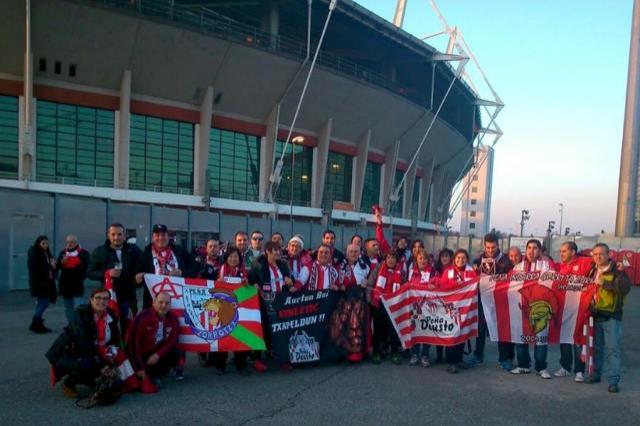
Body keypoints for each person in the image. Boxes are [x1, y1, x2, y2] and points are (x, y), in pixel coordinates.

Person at [46, 287, 138, 398]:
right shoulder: (81, 314)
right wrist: (104, 365)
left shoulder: (110, 314)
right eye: (98, 298)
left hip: (97, 350)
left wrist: (113, 357)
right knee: (87, 363)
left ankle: (91, 380)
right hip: (70, 352)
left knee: (113, 357)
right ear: (91, 299)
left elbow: (114, 338)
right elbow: (85, 345)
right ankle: (69, 383)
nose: (101, 301)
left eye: (105, 299)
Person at [585, 243, 631, 393]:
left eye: (601, 254)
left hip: (611, 316)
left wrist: (604, 283)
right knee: (596, 348)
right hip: (595, 314)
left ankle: (613, 381)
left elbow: (624, 288)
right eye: (595, 254)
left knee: (613, 349)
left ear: (609, 254)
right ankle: (596, 374)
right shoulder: (592, 269)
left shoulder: (617, 270)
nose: (598, 256)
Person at [510, 239, 556, 379]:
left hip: (540, 307)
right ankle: (523, 365)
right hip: (522, 307)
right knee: (520, 336)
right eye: (529, 247)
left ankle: (541, 367)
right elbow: (510, 285)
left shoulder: (546, 266)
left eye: (535, 248)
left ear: (540, 250)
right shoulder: (518, 267)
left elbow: (553, 283)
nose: (531, 251)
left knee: (540, 338)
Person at [469, 233, 513, 369]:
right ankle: (478, 356)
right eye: (488, 247)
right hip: (482, 299)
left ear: (498, 245)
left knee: (500, 327)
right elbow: (471, 277)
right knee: (480, 328)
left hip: (499, 299)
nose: (490, 250)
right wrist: (475, 271)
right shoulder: (478, 260)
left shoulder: (505, 260)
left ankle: (504, 358)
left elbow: (512, 278)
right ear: (484, 246)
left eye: (493, 247)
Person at [88, 223, 142, 335]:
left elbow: (143, 266)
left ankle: (127, 351)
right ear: (108, 235)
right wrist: (106, 273)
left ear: (124, 235)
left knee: (129, 327)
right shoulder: (100, 251)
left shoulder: (134, 250)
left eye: (119, 234)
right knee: (111, 327)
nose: (116, 237)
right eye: (113, 234)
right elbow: (89, 272)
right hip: (108, 297)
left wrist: (139, 276)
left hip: (129, 296)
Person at [248, 241, 293, 372]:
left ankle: (283, 358)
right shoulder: (259, 264)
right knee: (262, 331)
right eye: (275, 251)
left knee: (281, 331)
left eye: (279, 250)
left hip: (280, 303)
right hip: (264, 303)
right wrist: (254, 284)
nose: (278, 253)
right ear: (268, 252)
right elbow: (250, 279)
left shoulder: (282, 265)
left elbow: (290, 280)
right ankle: (257, 359)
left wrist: (290, 282)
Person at [435, 249, 478, 374]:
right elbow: (442, 287)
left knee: (462, 335)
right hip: (450, 310)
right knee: (452, 336)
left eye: (463, 258)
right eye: (458, 257)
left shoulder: (471, 272)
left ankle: (459, 359)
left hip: (465, 310)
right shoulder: (448, 272)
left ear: (467, 259)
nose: (460, 260)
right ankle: (451, 362)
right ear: (454, 259)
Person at [209, 247, 251, 374]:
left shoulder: (244, 272)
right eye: (231, 257)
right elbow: (210, 286)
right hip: (222, 307)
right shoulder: (219, 271)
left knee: (241, 336)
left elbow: (250, 290)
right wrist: (218, 283)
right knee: (223, 335)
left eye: (236, 257)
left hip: (239, 308)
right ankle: (220, 365)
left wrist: (246, 284)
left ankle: (241, 365)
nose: (233, 259)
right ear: (226, 258)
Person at [554, 241, 592, 382]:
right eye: (561, 251)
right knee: (564, 339)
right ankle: (565, 367)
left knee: (578, 341)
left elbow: (602, 262)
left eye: (564, 251)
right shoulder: (560, 267)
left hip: (580, 309)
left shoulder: (585, 262)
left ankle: (580, 370)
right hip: (565, 309)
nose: (561, 254)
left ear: (573, 252)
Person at [127, 292, 180, 393]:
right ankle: (143, 374)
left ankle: (156, 375)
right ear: (153, 303)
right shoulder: (142, 318)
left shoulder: (173, 319)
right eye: (160, 302)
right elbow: (133, 345)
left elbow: (172, 340)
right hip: (142, 353)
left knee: (176, 352)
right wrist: (139, 367)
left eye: (167, 303)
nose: (164, 305)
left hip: (156, 352)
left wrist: (158, 354)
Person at [135, 224, 194, 310]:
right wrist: (138, 279)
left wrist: (182, 272)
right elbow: (136, 280)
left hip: (177, 301)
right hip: (153, 302)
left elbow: (194, 269)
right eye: (157, 235)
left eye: (163, 235)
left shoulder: (179, 251)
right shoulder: (145, 255)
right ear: (152, 238)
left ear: (168, 236)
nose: (160, 238)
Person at [370, 252, 405, 365]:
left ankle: (395, 352)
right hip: (379, 303)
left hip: (394, 305)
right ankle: (377, 352)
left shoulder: (401, 272)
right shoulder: (379, 268)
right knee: (378, 330)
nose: (390, 260)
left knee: (394, 330)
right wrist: (370, 300)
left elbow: (405, 286)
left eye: (393, 258)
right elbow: (370, 283)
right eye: (388, 257)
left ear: (397, 260)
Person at [407, 249, 434, 368]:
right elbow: (407, 285)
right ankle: (414, 354)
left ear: (428, 260)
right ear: (416, 260)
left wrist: (434, 285)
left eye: (424, 258)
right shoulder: (412, 272)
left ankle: (425, 355)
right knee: (415, 329)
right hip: (415, 306)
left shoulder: (433, 272)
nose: (422, 261)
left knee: (427, 330)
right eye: (420, 258)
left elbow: (438, 284)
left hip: (428, 306)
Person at [56, 234, 90, 323]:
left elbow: (86, 268)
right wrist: (61, 262)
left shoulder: (84, 253)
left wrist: (80, 277)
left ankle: (80, 325)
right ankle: (71, 326)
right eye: (68, 242)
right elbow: (57, 267)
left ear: (76, 242)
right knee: (68, 308)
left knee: (79, 307)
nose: (69, 244)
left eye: (72, 242)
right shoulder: (63, 253)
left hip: (77, 285)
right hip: (65, 284)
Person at [28, 235, 57, 333]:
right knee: (44, 302)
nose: (45, 245)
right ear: (38, 243)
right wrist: (49, 266)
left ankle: (37, 322)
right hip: (39, 283)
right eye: (43, 243)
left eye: (46, 243)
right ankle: (36, 322)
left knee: (43, 302)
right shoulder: (34, 253)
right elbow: (33, 268)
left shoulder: (47, 253)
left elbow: (51, 266)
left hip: (48, 282)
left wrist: (53, 266)